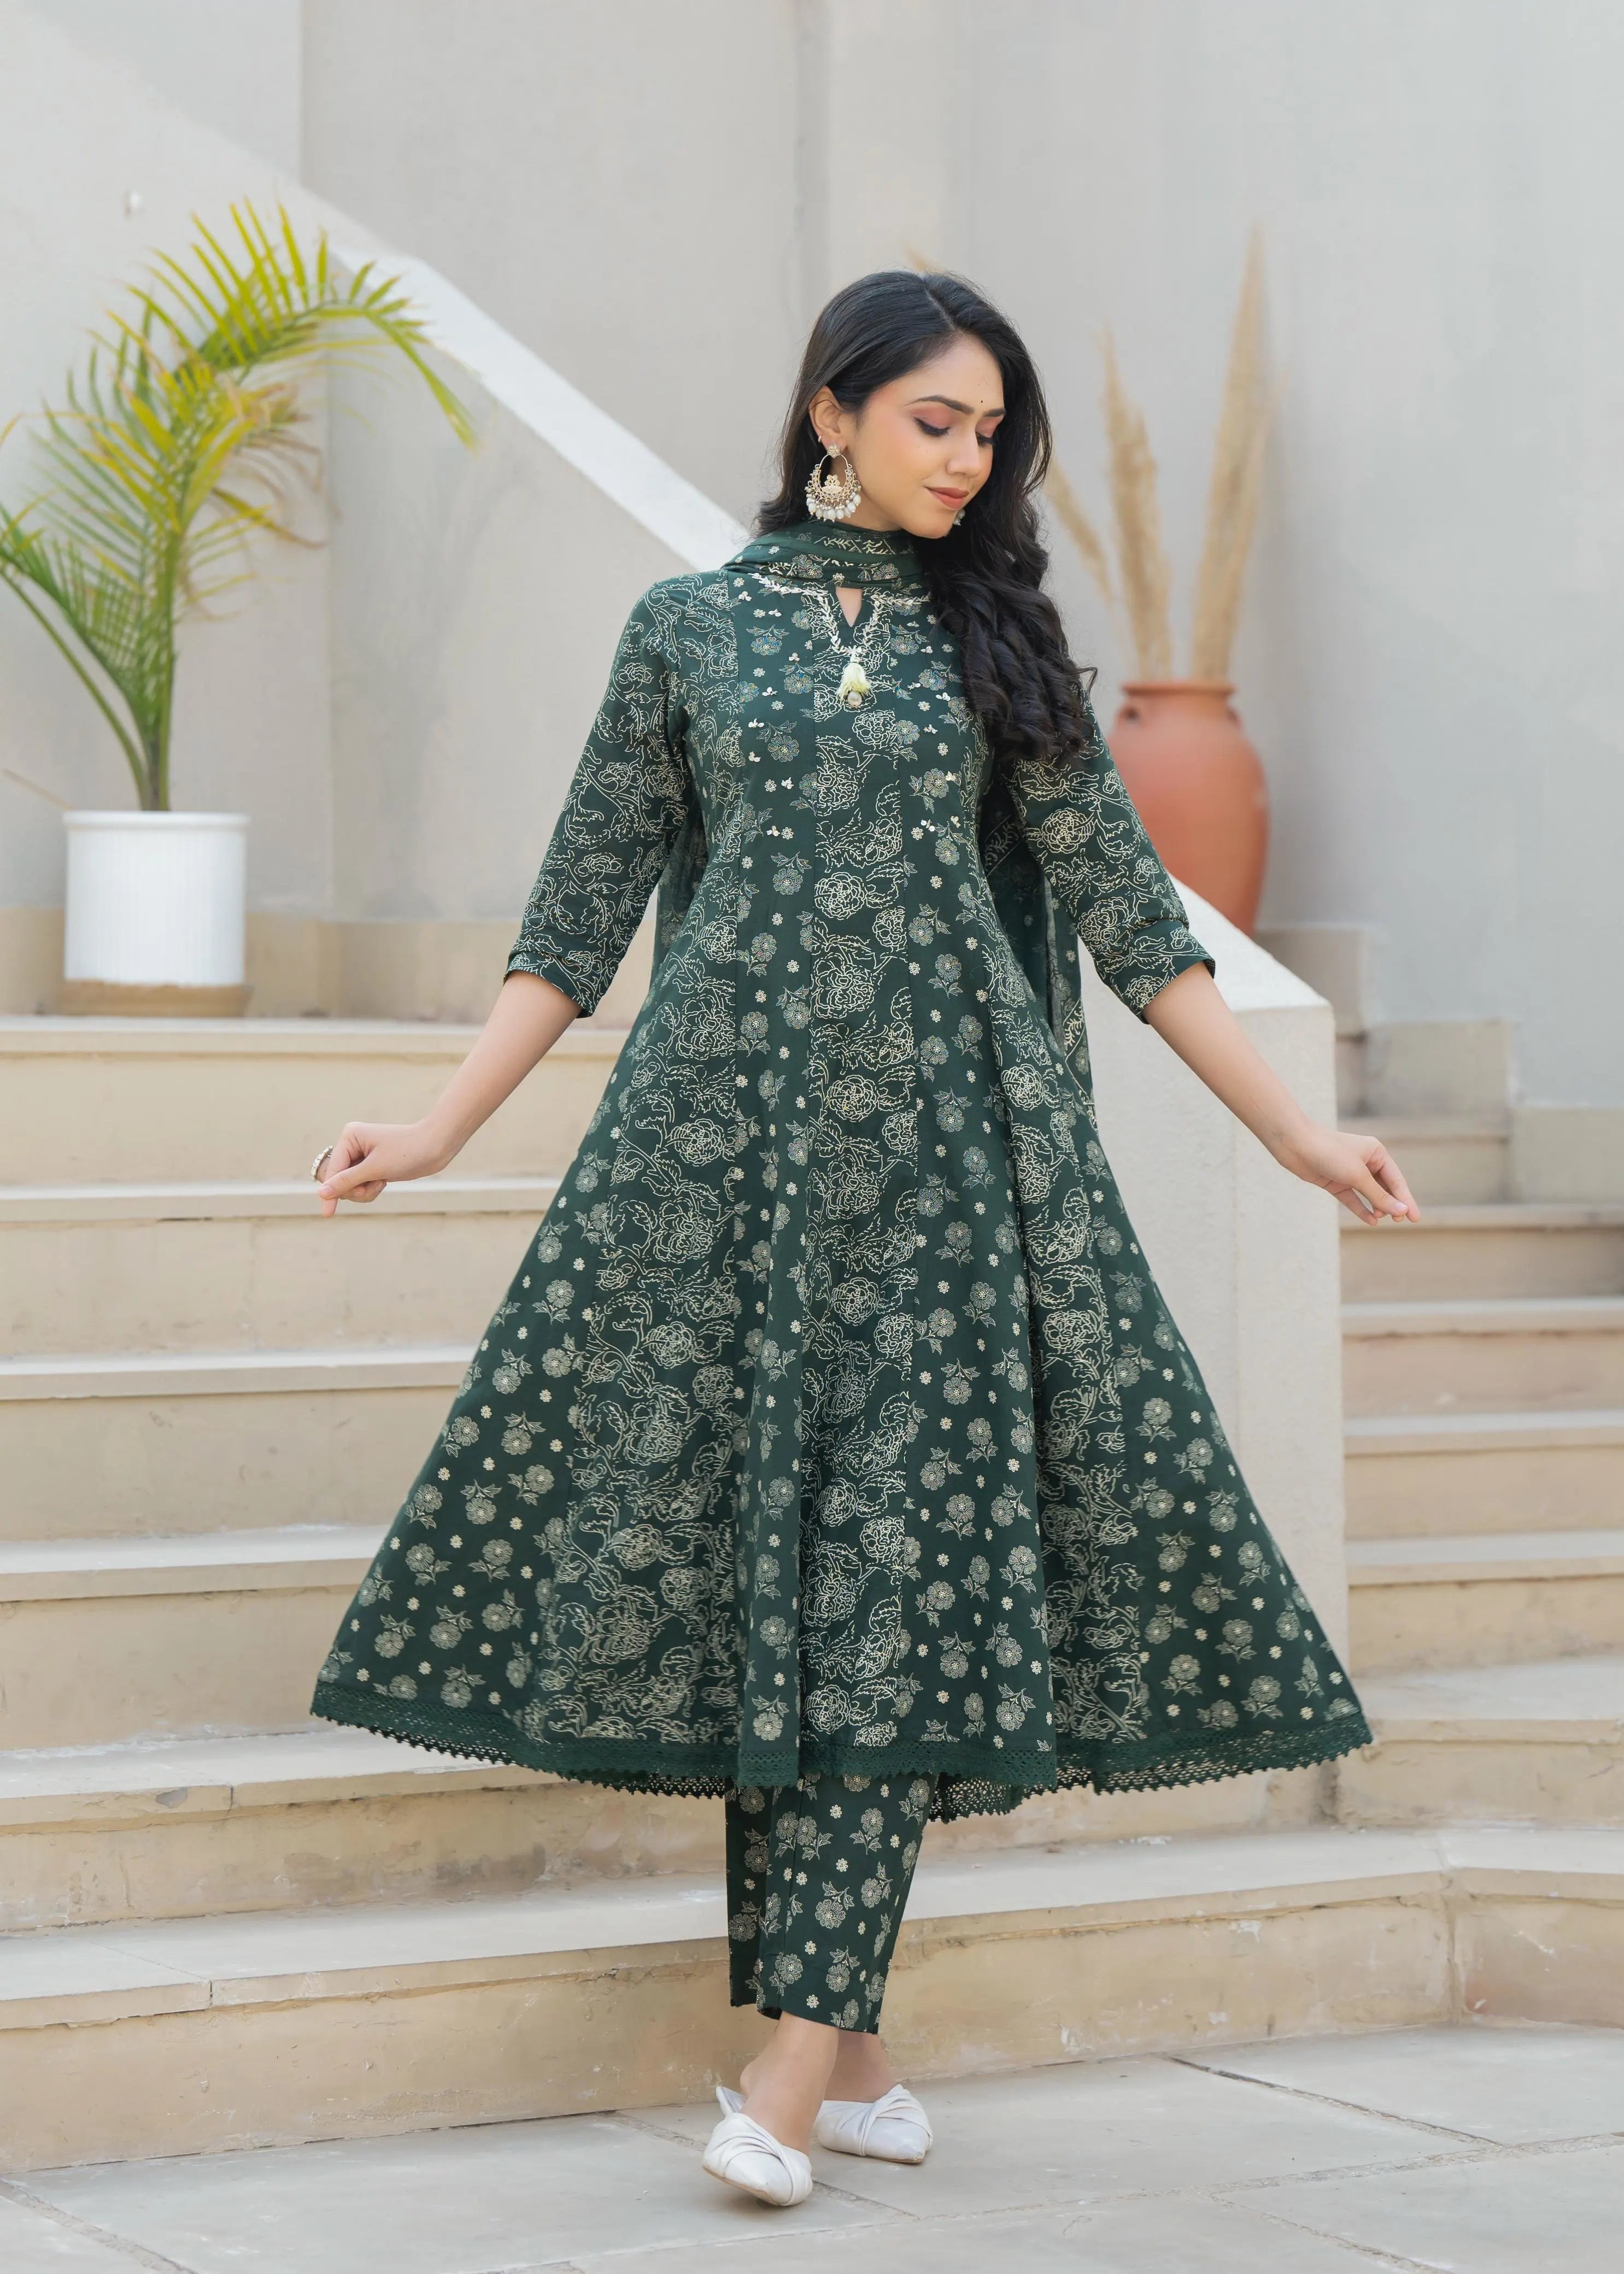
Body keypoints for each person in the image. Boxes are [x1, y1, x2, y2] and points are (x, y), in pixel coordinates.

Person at [308, 269, 1416, 2211]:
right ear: (831, 410)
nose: (969, 458)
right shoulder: (686, 635)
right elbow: (575, 921)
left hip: (945, 1196)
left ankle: (795, 2071)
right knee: (777, 1592)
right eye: (936, 422)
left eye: (992, 433)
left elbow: (1137, 927)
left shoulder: (1005, 658)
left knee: (890, 1591)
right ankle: (872, 2051)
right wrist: (432, 1131)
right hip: (720, 1179)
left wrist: (1300, 1140)